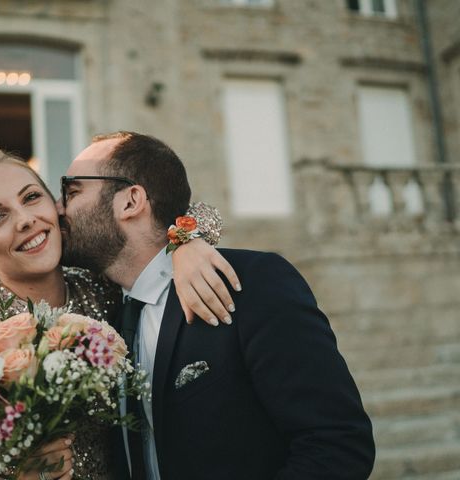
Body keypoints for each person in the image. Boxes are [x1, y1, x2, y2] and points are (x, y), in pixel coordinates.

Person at [0, 147, 237, 480]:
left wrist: (185, 243)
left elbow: (196, 211)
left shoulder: (99, 285)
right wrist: (11, 473)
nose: (25, 220)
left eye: (31, 197)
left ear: (55, 204)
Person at [57, 131, 376, 479]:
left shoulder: (252, 284)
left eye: (72, 192)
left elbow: (338, 444)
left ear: (130, 201)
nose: (59, 209)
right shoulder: (100, 317)